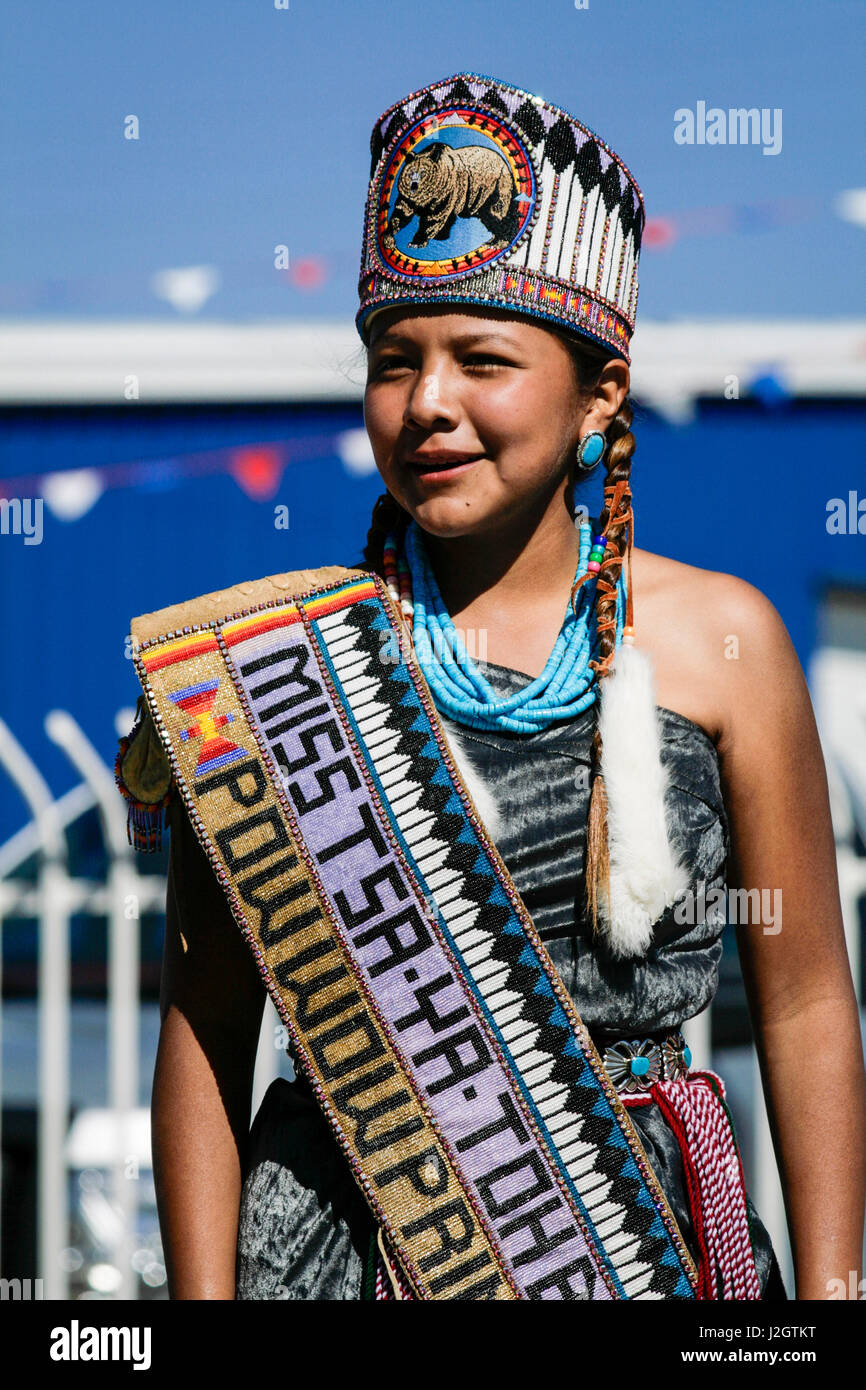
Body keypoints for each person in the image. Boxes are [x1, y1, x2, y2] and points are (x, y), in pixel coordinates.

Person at [120, 71, 865, 1300]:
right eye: (392, 360)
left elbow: (803, 1007)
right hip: (333, 1251)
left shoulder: (722, 643)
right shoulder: (265, 669)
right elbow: (204, 1038)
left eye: (482, 359)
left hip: (637, 1250)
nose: (428, 406)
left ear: (599, 394)